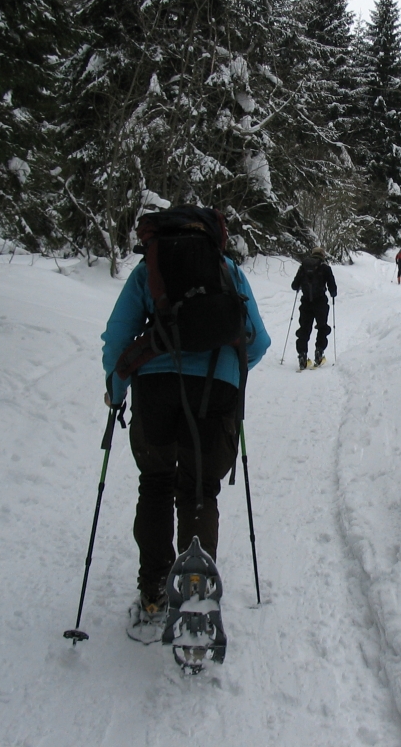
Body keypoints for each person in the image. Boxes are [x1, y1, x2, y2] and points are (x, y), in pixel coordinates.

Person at [101, 215, 270, 639]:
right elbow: (259, 341)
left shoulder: (148, 270)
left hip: (155, 387)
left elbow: (118, 337)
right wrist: (233, 370)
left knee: (156, 483)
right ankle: (196, 590)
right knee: (198, 489)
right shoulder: (229, 272)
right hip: (217, 387)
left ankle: (154, 593)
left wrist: (116, 390)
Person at [291, 247, 337, 369]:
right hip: (320, 302)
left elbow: (294, 286)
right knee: (322, 327)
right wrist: (332, 294)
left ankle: (302, 355)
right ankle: (319, 352)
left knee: (304, 328)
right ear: (322, 255)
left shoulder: (303, 267)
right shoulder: (325, 268)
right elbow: (333, 288)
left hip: (305, 302)